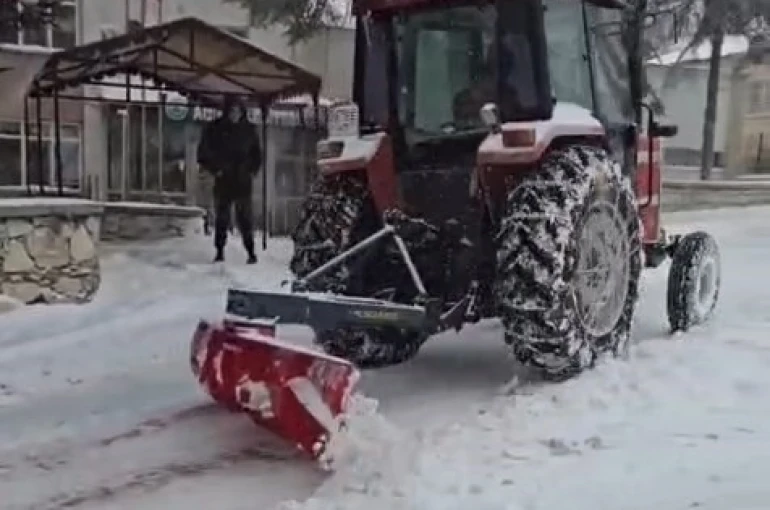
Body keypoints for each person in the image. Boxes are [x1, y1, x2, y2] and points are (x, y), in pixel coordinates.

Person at [197, 96, 261, 264]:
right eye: (232, 111)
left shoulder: (248, 130)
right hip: (224, 179)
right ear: (227, 112)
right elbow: (203, 153)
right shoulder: (216, 129)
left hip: (242, 181)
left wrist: (251, 170)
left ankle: (251, 251)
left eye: (238, 111)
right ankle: (219, 250)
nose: (235, 114)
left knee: (245, 218)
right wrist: (216, 169)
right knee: (222, 218)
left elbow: (257, 154)